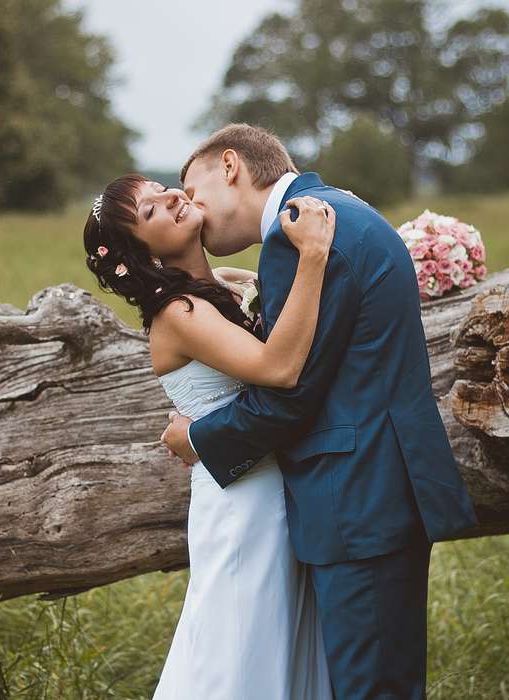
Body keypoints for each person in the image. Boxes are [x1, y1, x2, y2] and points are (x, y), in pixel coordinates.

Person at [160, 123, 480, 699]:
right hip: (377, 489)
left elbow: (291, 392)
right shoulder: (335, 212)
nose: (196, 218)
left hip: (358, 496)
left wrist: (199, 439)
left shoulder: (298, 236)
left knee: (372, 688)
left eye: (194, 195)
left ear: (230, 166)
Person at [82, 172, 337, 699]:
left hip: (270, 486)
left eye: (160, 189)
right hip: (242, 503)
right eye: (151, 211)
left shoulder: (221, 286)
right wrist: (312, 257)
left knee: (276, 641)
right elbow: (279, 366)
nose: (172, 197)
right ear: (144, 254)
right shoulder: (179, 313)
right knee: (239, 649)